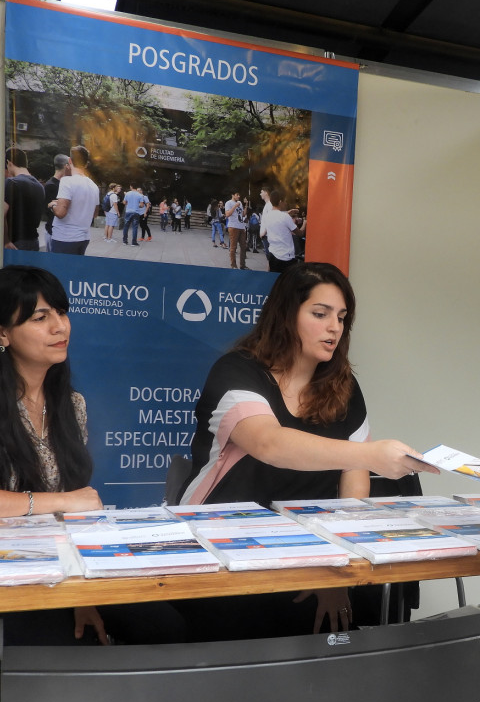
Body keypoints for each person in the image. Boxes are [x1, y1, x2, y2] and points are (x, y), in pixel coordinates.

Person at [0, 266, 186, 653]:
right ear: (0, 332)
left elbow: (70, 522)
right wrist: (61, 501)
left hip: (56, 575)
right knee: (73, 653)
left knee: (166, 627)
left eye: (61, 312)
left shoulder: (70, 404)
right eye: (40, 318)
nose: (60, 327)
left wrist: (83, 597)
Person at [176, 262, 438, 639]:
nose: (335, 327)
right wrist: (369, 453)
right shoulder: (237, 372)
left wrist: (337, 571)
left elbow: (353, 486)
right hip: (221, 549)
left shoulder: (343, 386)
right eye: (320, 314)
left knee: (326, 631)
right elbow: (270, 443)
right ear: (286, 316)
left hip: (306, 555)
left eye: (342, 317)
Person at [47, 145, 99, 255]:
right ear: (86, 163)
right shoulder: (94, 186)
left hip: (65, 238)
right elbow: (95, 214)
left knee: (58, 271)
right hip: (84, 238)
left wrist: (52, 205)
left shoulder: (67, 181)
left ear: (69, 161)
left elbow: (61, 213)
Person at [3, 147, 45, 252]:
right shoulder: (39, 186)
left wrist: (6, 241)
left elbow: (1, 214)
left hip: (15, 243)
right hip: (33, 241)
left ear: (9, 162)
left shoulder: (11, 183)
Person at [263, 188, 302, 273]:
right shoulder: (285, 217)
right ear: (280, 201)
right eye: (285, 201)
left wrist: (288, 213)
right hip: (286, 257)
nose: (286, 203)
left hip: (273, 255)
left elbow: (278, 216)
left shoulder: (268, 215)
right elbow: (299, 233)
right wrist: (305, 223)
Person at [41, 153, 70, 253]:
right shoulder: (51, 185)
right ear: (66, 166)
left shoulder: (64, 184)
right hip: (53, 233)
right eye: (70, 165)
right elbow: (48, 211)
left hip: (61, 233)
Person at [225, 190, 248, 269]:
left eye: (239, 195)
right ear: (233, 195)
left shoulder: (240, 203)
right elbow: (227, 214)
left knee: (244, 246)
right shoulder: (228, 203)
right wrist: (235, 206)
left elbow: (243, 214)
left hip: (241, 227)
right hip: (233, 227)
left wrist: (246, 205)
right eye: (237, 195)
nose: (239, 196)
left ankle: (243, 265)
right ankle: (233, 265)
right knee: (233, 247)